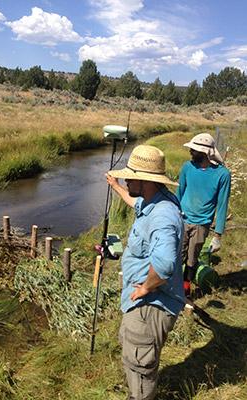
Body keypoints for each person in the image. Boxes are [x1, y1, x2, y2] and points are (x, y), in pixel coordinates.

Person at [106, 144, 185, 400]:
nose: (127, 179)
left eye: (131, 176)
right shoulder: (154, 199)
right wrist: (116, 185)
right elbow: (135, 203)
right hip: (145, 303)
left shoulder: (162, 215)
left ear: (145, 181)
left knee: (140, 364)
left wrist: (145, 288)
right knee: (138, 355)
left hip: (151, 305)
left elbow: (163, 266)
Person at [176, 133, 231, 296]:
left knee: (192, 260)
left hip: (202, 224)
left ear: (206, 152)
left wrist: (217, 236)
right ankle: (171, 288)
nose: (191, 152)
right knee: (176, 256)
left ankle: (185, 291)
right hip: (181, 219)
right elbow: (179, 193)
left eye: (194, 150)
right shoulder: (187, 167)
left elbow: (222, 206)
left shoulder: (222, 175)